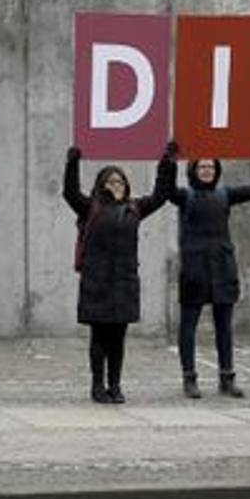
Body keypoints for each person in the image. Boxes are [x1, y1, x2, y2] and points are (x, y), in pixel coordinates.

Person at [64, 142, 175, 404]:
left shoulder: (135, 208)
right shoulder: (90, 207)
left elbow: (161, 194)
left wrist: (166, 163)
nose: (117, 186)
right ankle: (97, 386)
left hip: (124, 282)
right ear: (102, 185)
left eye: (121, 182)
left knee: (118, 338)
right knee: (99, 337)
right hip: (97, 282)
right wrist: (72, 163)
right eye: (111, 182)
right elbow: (69, 193)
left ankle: (115, 385)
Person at [169, 141, 250, 400]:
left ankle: (227, 377)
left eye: (210, 166)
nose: (206, 170)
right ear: (193, 169)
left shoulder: (225, 194)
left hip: (222, 269)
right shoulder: (185, 196)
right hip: (194, 270)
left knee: (224, 327)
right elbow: (165, 190)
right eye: (201, 166)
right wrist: (168, 161)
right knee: (188, 327)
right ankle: (189, 378)